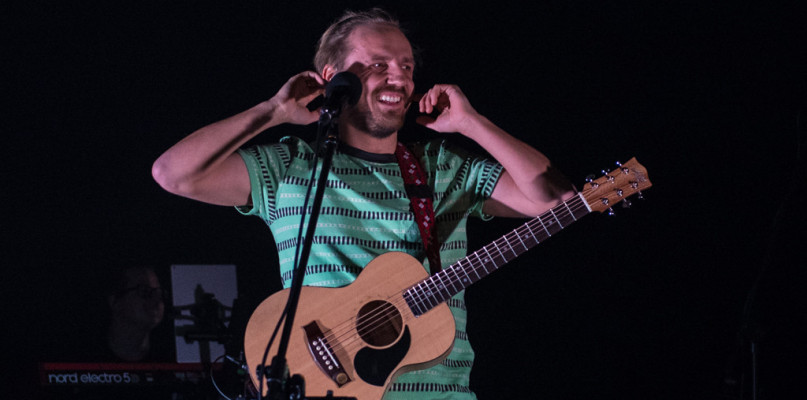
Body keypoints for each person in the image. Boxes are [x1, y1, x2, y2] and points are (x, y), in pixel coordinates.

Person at [152, 8, 574, 399]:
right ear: (333, 77)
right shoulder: (288, 167)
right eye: (378, 65)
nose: (399, 78)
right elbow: (174, 174)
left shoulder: (444, 167)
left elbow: (558, 201)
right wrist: (273, 111)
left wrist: (472, 124)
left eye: (406, 67)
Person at [103, 265, 172, 362]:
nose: (156, 300)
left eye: (159, 292)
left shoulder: (168, 355)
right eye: (145, 291)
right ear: (115, 302)